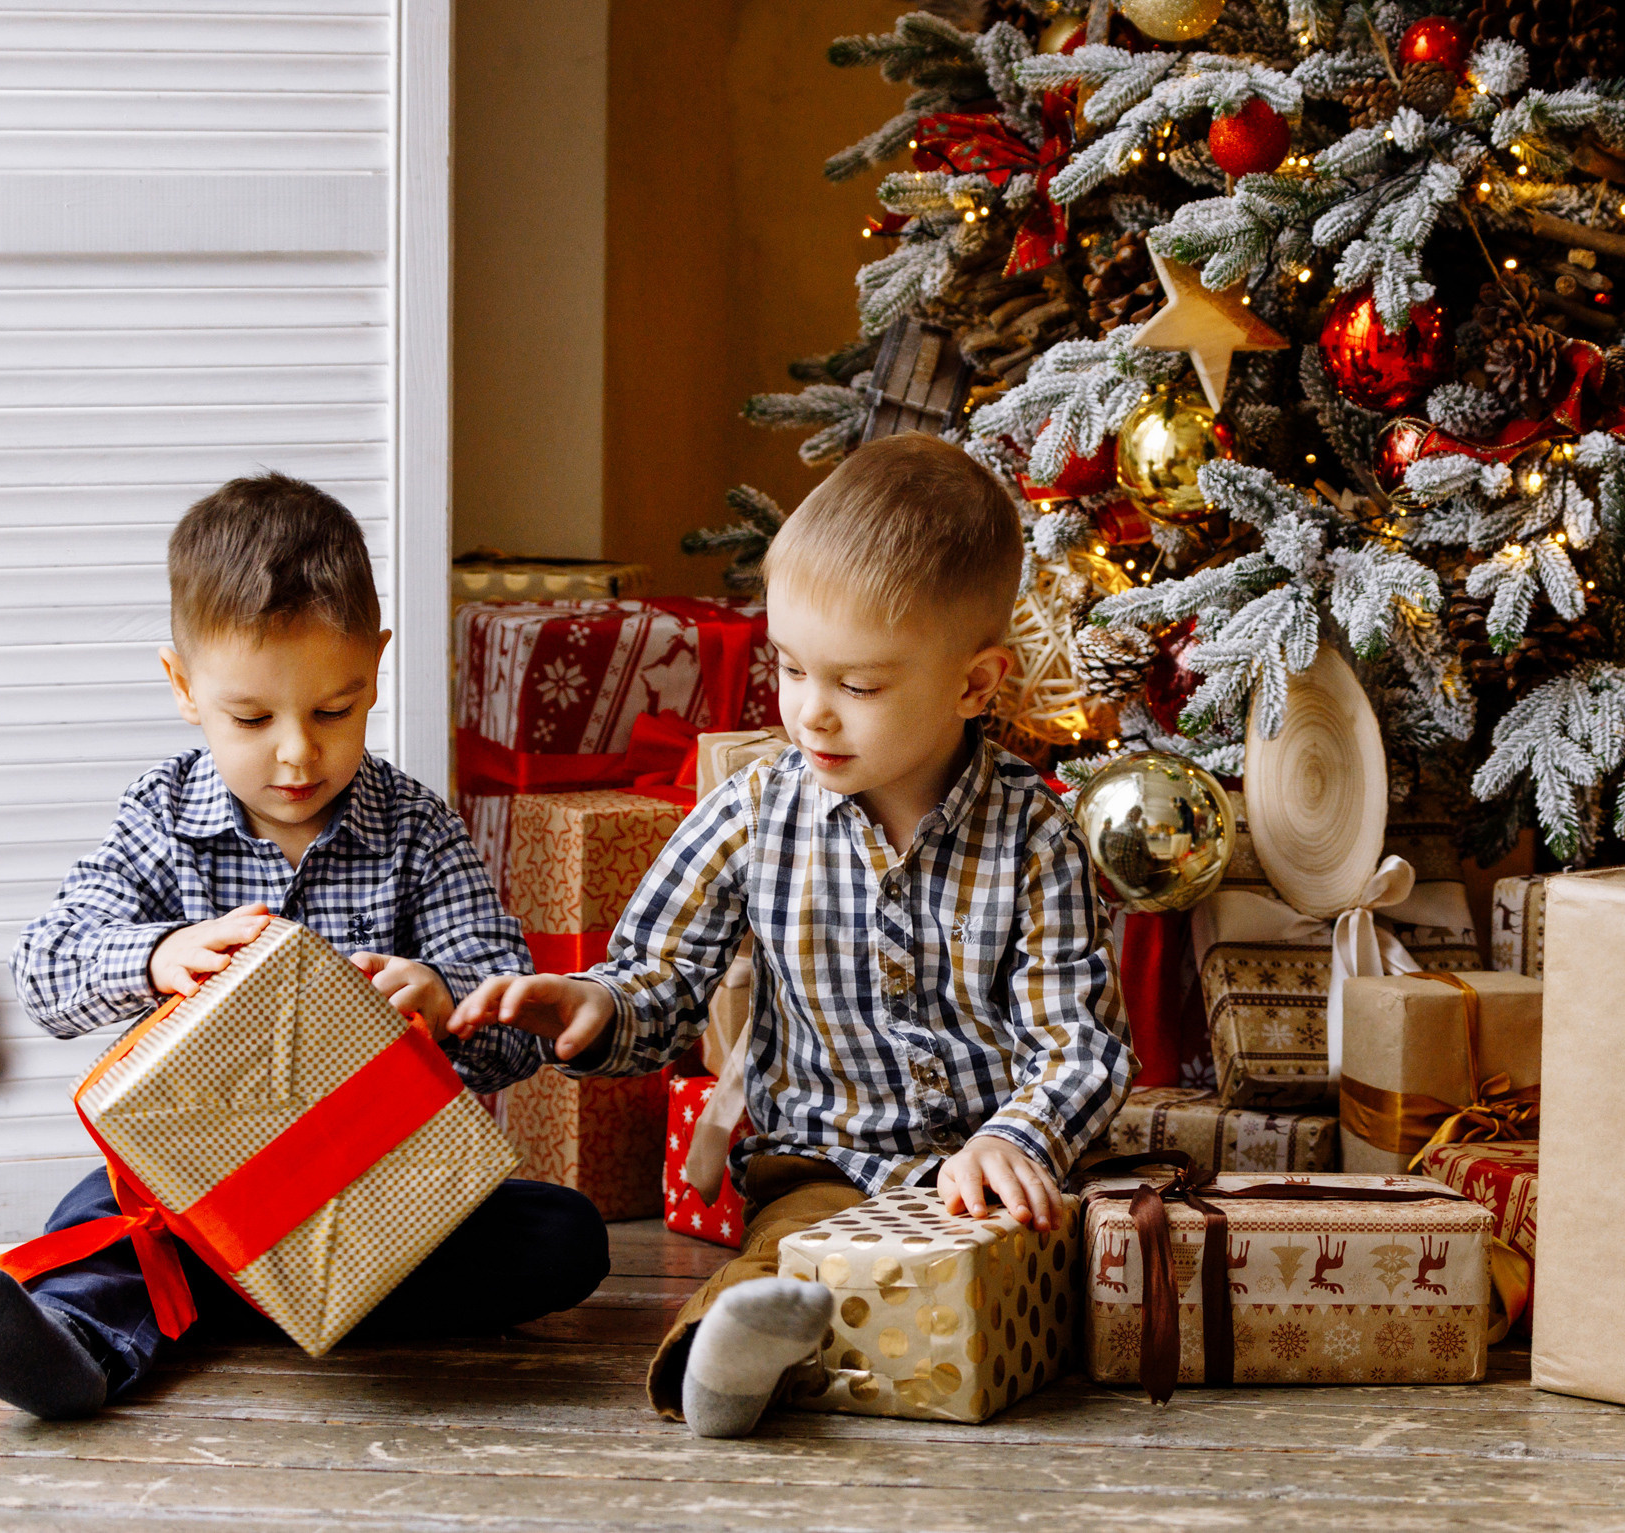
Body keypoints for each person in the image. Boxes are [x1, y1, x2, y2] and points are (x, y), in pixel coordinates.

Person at [448, 432, 1130, 1438]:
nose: (809, 712)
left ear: (974, 686)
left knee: (1022, 1273)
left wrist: (1013, 1139)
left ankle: (873, 1338)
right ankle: (720, 1357)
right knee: (795, 1254)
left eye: (856, 685)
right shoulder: (754, 812)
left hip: (979, 1183)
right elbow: (663, 974)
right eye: (791, 668)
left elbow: (1077, 1041)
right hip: (822, 1165)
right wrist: (591, 1003)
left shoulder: (1033, 835)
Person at [0, 473, 607, 1420]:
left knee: (565, 1235)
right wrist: (159, 954)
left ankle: (245, 1300)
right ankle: (82, 1344)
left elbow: (517, 1020)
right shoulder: (162, 816)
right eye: (252, 718)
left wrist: (443, 998)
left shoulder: (414, 828)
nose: (297, 754)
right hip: (197, 1185)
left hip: (382, 1188)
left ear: (376, 669)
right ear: (183, 687)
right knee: (100, 1216)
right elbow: (45, 967)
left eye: (333, 711)